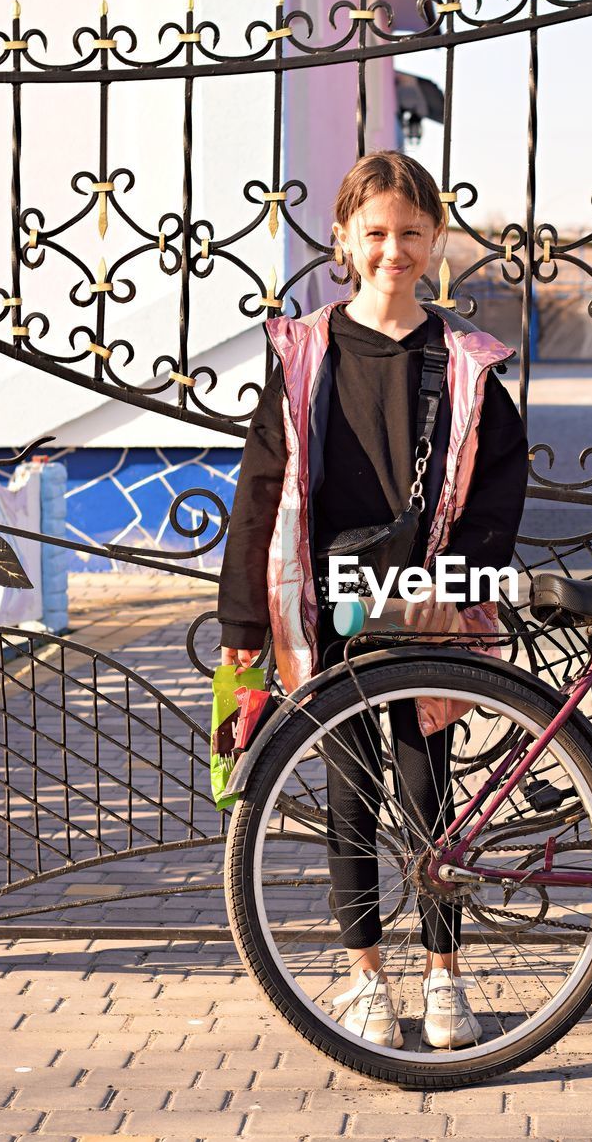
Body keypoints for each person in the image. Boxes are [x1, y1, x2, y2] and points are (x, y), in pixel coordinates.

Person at [218, 150, 529, 1049]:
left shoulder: (467, 364)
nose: (394, 250)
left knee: (430, 794)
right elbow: (262, 489)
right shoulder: (305, 352)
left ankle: (444, 975)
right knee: (351, 791)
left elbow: (499, 488)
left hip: (425, 603)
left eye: (411, 234)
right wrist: (245, 624)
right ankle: (364, 978)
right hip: (327, 609)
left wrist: (450, 580)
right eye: (377, 233)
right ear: (346, 241)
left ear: (434, 241)